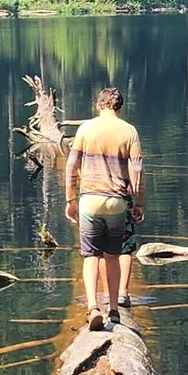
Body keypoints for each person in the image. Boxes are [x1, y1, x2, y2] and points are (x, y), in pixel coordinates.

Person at [65, 85, 144, 330]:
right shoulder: (129, 131)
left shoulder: (85, 129)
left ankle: (92, 307)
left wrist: (70, 200)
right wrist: (139, 203)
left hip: (90, 199)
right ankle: (114, 310)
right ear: (119, 107)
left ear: (98, 105)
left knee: (90, 256)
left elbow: (71, 166)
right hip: (117, 202)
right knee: (113, 256)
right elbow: (138, 171)